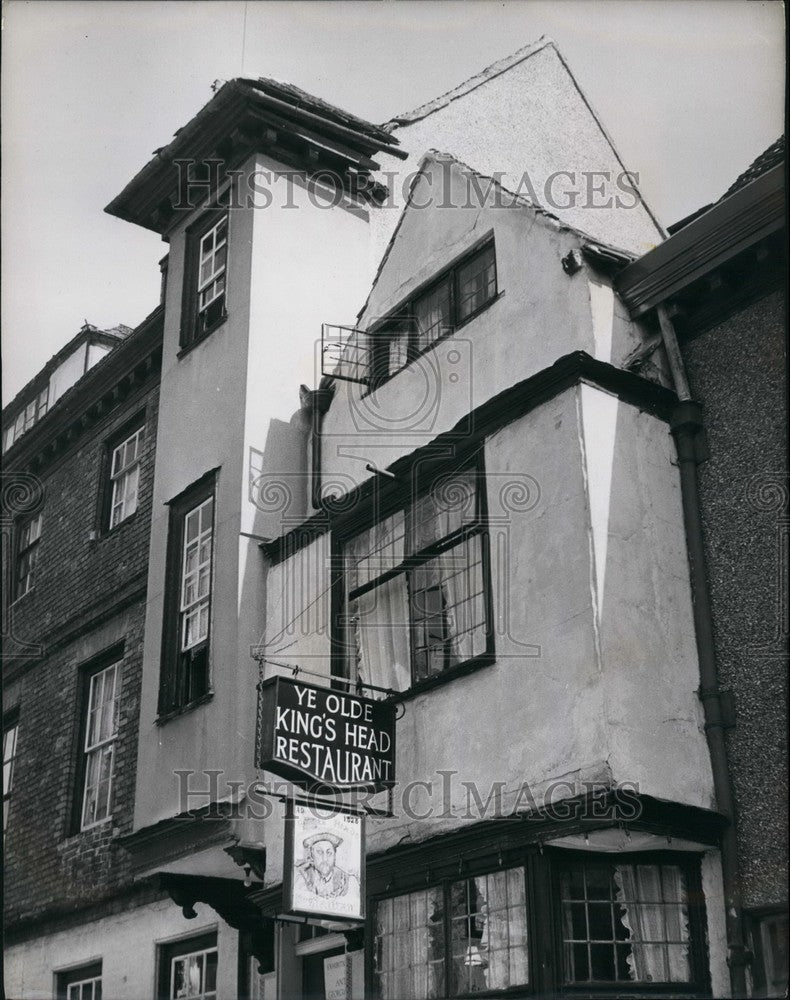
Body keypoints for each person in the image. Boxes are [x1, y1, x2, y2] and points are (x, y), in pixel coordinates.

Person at [296, 831, 358, 898]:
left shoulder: (348, 881)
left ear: (334, 855)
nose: (325, 859)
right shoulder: (302, 878)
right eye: (319, 852)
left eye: (329, 853)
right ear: (312, 856)